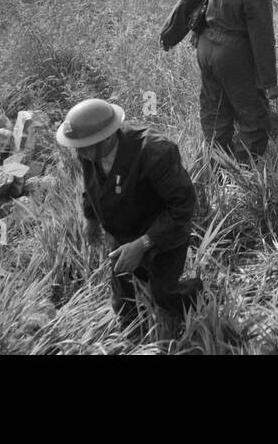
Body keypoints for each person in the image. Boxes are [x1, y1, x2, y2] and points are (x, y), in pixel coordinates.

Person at [57, 98, 202, 333]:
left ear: (106, 138)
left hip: (162, 230)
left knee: (163, 293)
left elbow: (182, 207)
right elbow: (90, 186)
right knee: (124, 301)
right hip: (122, 230)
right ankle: (133, 335)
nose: (78, 152)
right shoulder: (88, 152)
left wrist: (143, 244)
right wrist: (90, 219)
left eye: (83, 146)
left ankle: (198, 297)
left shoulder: (155, 151)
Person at [162, 0, 278, 162]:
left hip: (205, 47)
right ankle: (245, 170)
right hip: (232, 55)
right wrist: (270, 84)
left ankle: (217, 163)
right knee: (253, 114)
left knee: (214, 108)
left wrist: (169, 34)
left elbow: (188, 1)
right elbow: (263, 42)